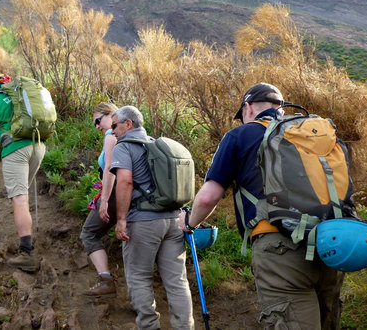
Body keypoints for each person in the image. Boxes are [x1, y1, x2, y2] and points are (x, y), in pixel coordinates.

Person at [177, 82, 345, 329]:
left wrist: (189, 222)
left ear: (247, 107)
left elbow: (207, 197)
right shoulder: (309, 131)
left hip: (279, 247)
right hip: (331, 243)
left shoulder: (241, 135)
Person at [111, 105, 194, 329]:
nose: (111, 131)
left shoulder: (124, 147)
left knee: (139, 276)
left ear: (128, 124)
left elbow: (125, 182)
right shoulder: (156, 145)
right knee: (177, 281)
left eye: (114, 125)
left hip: (143, 221)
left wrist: (121, 219)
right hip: (174, 220)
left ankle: (149, 326)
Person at [0, 74, 46, 273]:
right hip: (39, 145)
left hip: (15, 150)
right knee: (21, 194)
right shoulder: (24, 96)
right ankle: (29, 239)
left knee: (19, 199)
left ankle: (27, 253)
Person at [80, 102, 119, 298]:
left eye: (98, 120)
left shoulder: (111, 136)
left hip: (115, 193)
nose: (97, 126)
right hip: (129, 194)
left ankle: (105, 280)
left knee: (89, 232)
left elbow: (110, 170)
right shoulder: (127, 134)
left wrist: (104, 200)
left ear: (111, 114)